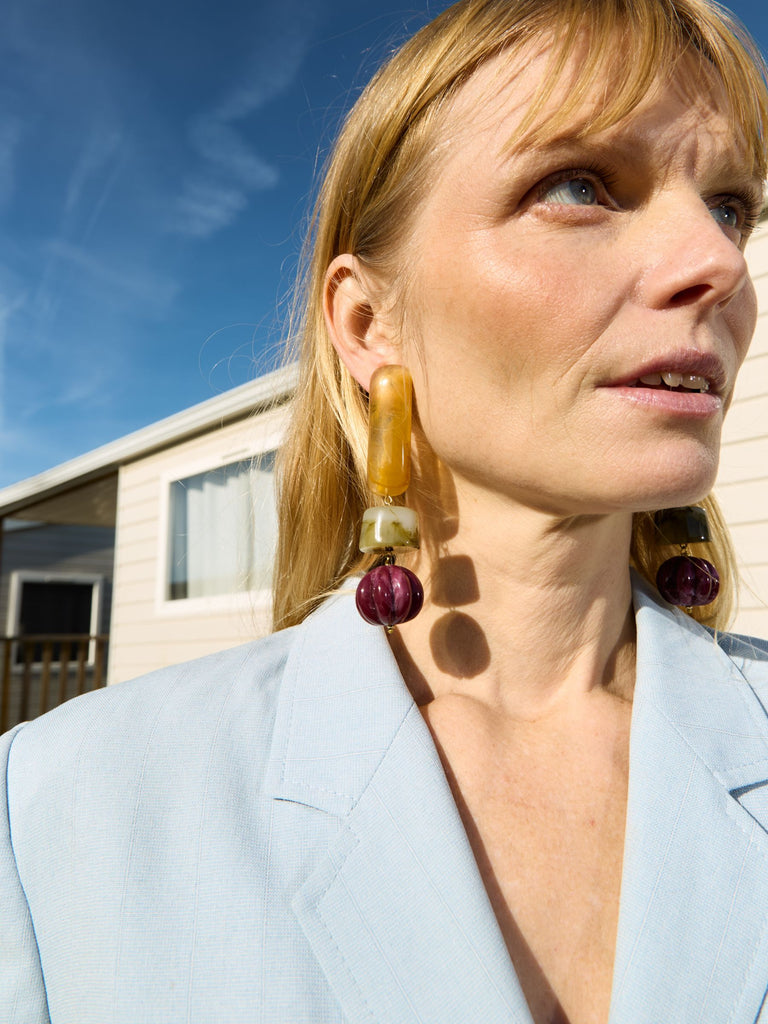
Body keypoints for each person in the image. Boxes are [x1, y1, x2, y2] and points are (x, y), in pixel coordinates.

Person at [3, 0, 768, 1021]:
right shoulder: (57, 806)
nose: (716, 264)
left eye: (729, 206)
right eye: (581, 186)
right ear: (369, 324)